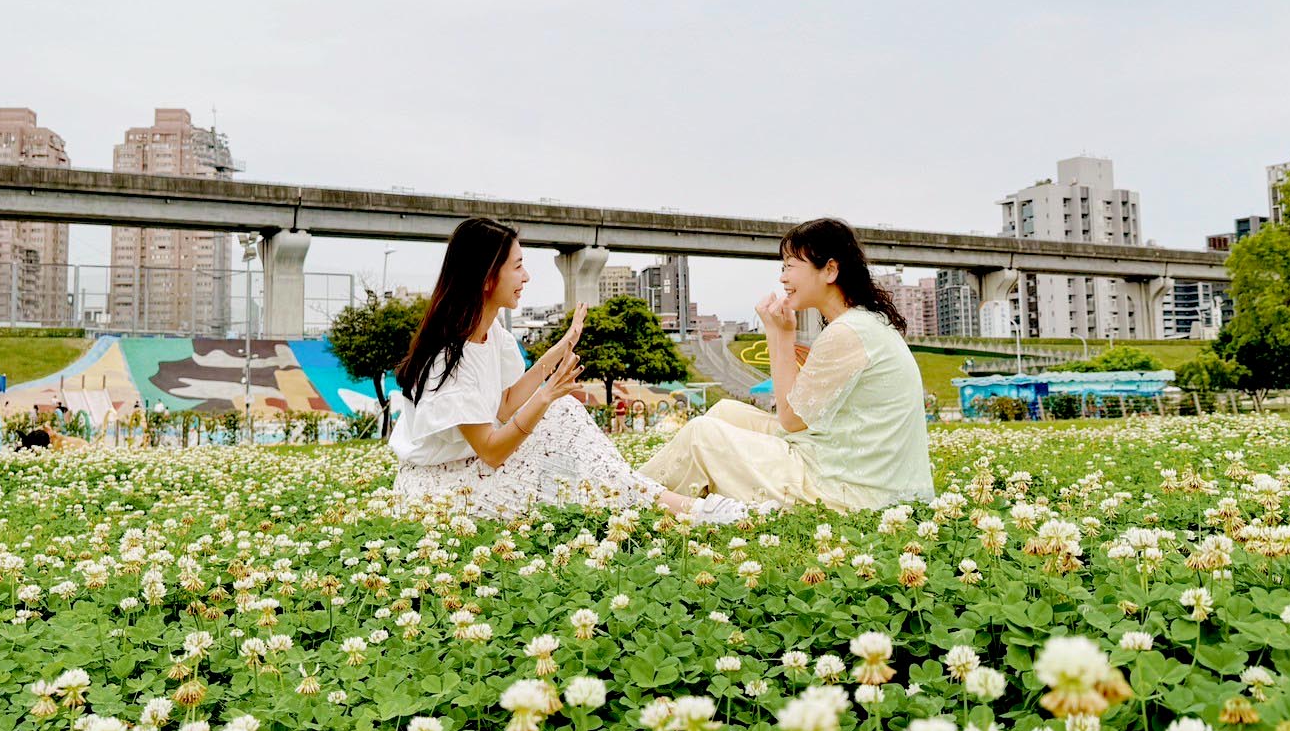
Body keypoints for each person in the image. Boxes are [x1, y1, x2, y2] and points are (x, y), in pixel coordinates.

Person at [388, 217, 749, 522]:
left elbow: (505, 404)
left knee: (564, 416)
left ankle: (649, 496)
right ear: (486, 278)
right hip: (440, 490)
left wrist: (561, 349)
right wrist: (546, 395)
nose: (526, 276)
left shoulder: (492, 335)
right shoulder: (449, 358)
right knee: (558, 416)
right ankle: (677, 506)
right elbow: (492, 451)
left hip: (470, 469)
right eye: (517, 266)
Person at [640, 217, 934, 513]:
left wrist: (779, 334)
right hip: (864, 474)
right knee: (725, 412)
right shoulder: (863, 323)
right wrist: (785, 339)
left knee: (700, 436)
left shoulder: (848, 333)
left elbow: (791, 420)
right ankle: (652, 495)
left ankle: (625, 495)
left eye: (791, 266)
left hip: (852, 493)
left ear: (830, 270)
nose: (782, 278)